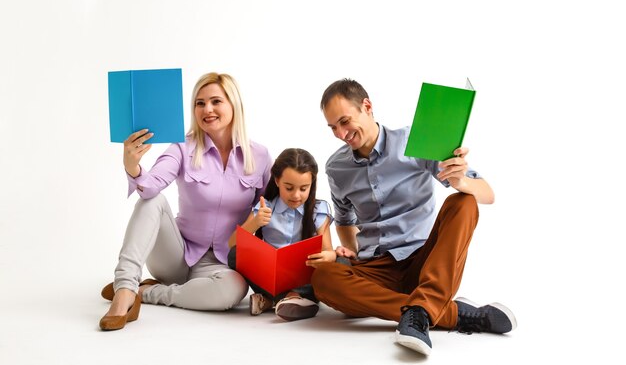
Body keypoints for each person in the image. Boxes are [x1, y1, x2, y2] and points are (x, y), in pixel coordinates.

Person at [311, 78, 516, 356]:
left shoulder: (415, 141)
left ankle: (423, 307)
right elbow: (344, 220)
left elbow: (487, 194)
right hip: (377, 267)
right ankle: (445, 311)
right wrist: (353, 254)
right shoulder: (337, 167)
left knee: (464, 202)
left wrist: (461, 181)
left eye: (344, 121)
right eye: (333, 127)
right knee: (324, 278)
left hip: (425, 262)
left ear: (367, 106)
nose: (340, 133)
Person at [99, 72, 272, 331]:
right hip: (176, 255)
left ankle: (148, 293)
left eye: (216, 101)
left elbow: (270, 211)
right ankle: (125, 288)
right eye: (199, 103)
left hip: (222, 264)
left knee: (233, 291)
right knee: (152, 201)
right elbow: (149, 188)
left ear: (233, 104)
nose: (207, 109)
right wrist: (132, 166)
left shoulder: (259, 156)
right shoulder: (183, 147)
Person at [227, 148, 335, 321]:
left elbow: (329, 251)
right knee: (235, 254)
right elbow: (232, 244)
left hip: (303, 276)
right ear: (277, 181)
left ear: (312, 184)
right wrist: (255, 223)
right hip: (270, 277)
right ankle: (292, 299)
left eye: (304, 188)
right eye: (289, 188)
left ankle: (275, 300)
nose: (296, 195)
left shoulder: (318, 210)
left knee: (341, 263)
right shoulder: (265, 206)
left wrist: (328, 256)